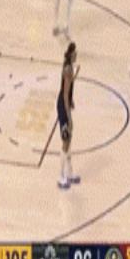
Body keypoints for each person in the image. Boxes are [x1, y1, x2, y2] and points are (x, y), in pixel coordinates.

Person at [57, 42, 80, 189]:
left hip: (65, 104)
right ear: (71, 54)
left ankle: (69, 172)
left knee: (69, 139)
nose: (77, 55)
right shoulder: (67, 70)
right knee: (66, 140)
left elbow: (69, 88)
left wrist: (71, 101)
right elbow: (65, 94)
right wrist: (69, 116)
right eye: (75, 53)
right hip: (62, 106)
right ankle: (61, 175)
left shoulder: (70, 67)